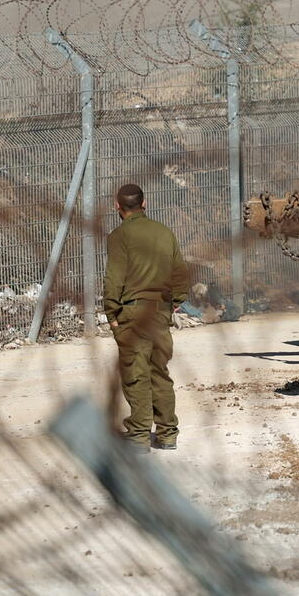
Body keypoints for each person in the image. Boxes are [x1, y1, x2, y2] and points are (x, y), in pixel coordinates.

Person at [101, 183, 188, 450]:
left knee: (135, 373)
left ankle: (139, 435)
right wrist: (173, 304)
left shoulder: (119, 236)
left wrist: (112, 314)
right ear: (145, 203)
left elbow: (114, 277)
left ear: (117, 206)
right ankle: (167, 433)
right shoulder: (164, 233)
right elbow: (180, 273)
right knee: (159, 372)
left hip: (133, 313)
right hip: (159, 311)